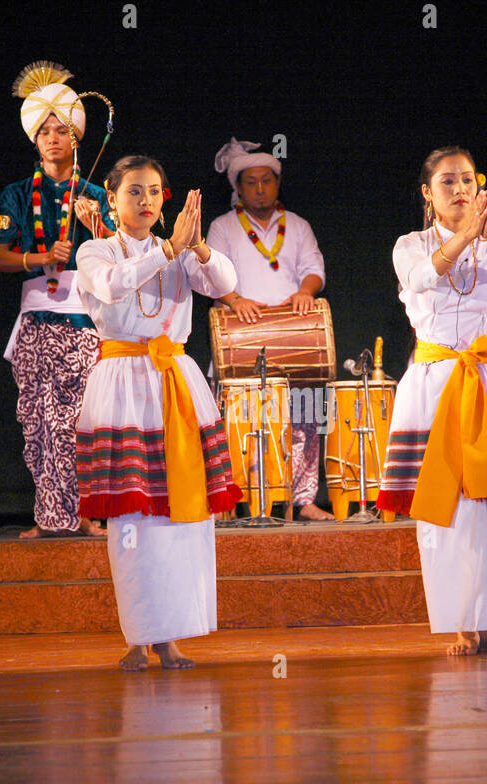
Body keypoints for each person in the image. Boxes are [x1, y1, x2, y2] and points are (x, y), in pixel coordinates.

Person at [375, 147, 487, 656]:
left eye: (468, 180)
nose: (460, 189)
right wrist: (464, 237)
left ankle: (486, 619)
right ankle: (459, 623)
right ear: (428, 194)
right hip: (436, 383)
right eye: (448, 181)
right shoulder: (410, 244)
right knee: (447, 506)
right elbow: (421, 277)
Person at [74, 156, 241, 671]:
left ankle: (171, 635)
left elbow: (222, 284)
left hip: (175, 382)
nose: (145, 201)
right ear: (111, 197)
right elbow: (111, 287)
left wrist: (199, 247)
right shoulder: (95, 250)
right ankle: (138, 635)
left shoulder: (183, 251)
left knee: (179, 513)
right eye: (133, 192)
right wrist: (169, 249)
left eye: (153, 192)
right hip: (123, 386)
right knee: (133, 518)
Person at [0, 61, 113, 539]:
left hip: (81, 319)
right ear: (34, 140)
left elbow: (117, 257)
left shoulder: (98, 193)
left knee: (75, 420)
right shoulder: (17, 195)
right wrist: (40, 256)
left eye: (61, 130)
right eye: (44, 131)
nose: (52, 138)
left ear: (77, 139)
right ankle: (48, 517)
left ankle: (83, 512)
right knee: (36, 419)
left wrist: (96, 225)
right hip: (35, 319)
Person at [206, 137, 332, 519]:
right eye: (251, 182)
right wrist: (234, 301)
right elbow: (210, 273)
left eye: (267, 180)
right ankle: (231, 500)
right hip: (240, 335)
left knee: (304, 420)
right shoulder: (222, 226)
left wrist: (305, 293)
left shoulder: (297, 225)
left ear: (276, 184)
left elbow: (314, 269)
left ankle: (304, 500)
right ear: (238, 188)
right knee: (236, 421)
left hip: (294, 334)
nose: (260, 188)